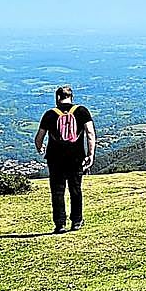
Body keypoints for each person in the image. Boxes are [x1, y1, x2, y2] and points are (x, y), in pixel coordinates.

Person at [34, 85, 97, 233]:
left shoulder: (50, 114)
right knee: (75, 189)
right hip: (76, 157)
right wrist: (90, 154)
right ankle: (76, 221)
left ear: (57, 98)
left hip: (55, 159)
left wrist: (40, 149)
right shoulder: (82, 111)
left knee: (57, 191)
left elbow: (39, 137)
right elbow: (90, 134)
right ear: (71, 97)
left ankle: (60, 224)